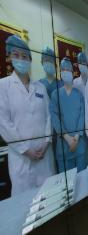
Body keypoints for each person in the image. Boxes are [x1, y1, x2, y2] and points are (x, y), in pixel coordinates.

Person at [0, 35, 55, 195]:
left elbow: (48, 117)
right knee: (25, 204)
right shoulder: (3, 86)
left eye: (24, 56)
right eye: (16, 55)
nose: (21, 60)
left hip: (44, 154)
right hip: (21, 159)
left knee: (48, 199)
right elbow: (3, 123)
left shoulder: (40, 88)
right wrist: (25, 149)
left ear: (30, 60)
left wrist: (46, 142)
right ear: (9, 57)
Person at [50, 58, 87, 172]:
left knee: (83, 179)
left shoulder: (79, 95)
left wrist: (75, 137)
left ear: (72, 72)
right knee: (68, 185)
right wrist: (67, 138)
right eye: (63, 69)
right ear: (60, 72)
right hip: (63, 145)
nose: (65, 71)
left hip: (79, 143)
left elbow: (82, 116)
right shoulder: (55, 94)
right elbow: (54, 117)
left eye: (68, 69)